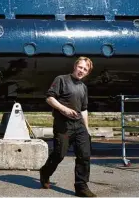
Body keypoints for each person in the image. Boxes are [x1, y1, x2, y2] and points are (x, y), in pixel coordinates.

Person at [40, 57, 97, 197]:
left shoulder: (83, 87)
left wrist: (87, 129)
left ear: (87, 72)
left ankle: (81, 187)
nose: (81, 71)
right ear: (75, 66)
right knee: (59, 154)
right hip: (63, 124)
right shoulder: (61, 79)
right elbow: (49, 98)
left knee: (84, 155)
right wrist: (63, 109)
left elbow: (83, 110)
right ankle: (45, 172)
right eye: (80, 67)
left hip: (79, 125)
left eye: (85, 69)